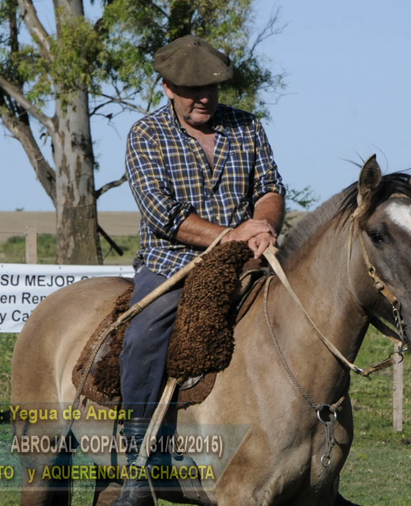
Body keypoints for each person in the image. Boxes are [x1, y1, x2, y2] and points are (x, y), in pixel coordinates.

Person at [115, 34, 286, 505]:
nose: (204, 98)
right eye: (192, 90)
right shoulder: (145, 135)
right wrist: (229, 234)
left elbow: (270, 186)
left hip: (250, 261)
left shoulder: (247, 127)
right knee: (143, 334)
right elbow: (162, 214)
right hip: (172, 264)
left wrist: (264, 226)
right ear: (167, 87)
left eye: (211, 88)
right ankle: (137, 465)